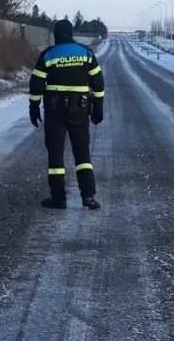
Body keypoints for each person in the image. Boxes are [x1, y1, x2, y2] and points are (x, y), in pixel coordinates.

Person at [28, 19, 105, 210]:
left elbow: (36, 83)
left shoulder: (49, 55)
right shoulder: (86, 54)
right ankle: (88, 196)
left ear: (56, 35)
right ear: (71, 34)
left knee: (55, 155)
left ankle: (58, 198)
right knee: (82, 154)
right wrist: (98, 107)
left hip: (55, 112)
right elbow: (98, 82)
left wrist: (34, 106)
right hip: (80, 110)